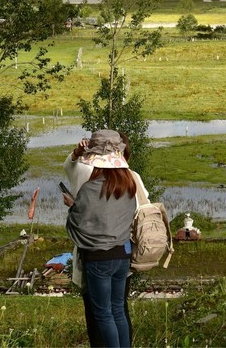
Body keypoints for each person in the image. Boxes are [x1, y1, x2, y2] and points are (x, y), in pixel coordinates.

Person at [63, 129, 147, 348]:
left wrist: (72, 208)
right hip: (123, 254)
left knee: (102, 314)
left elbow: (78, 223)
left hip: (98, 257)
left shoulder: (90, 186)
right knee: (118, 309)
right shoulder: (130, 183)